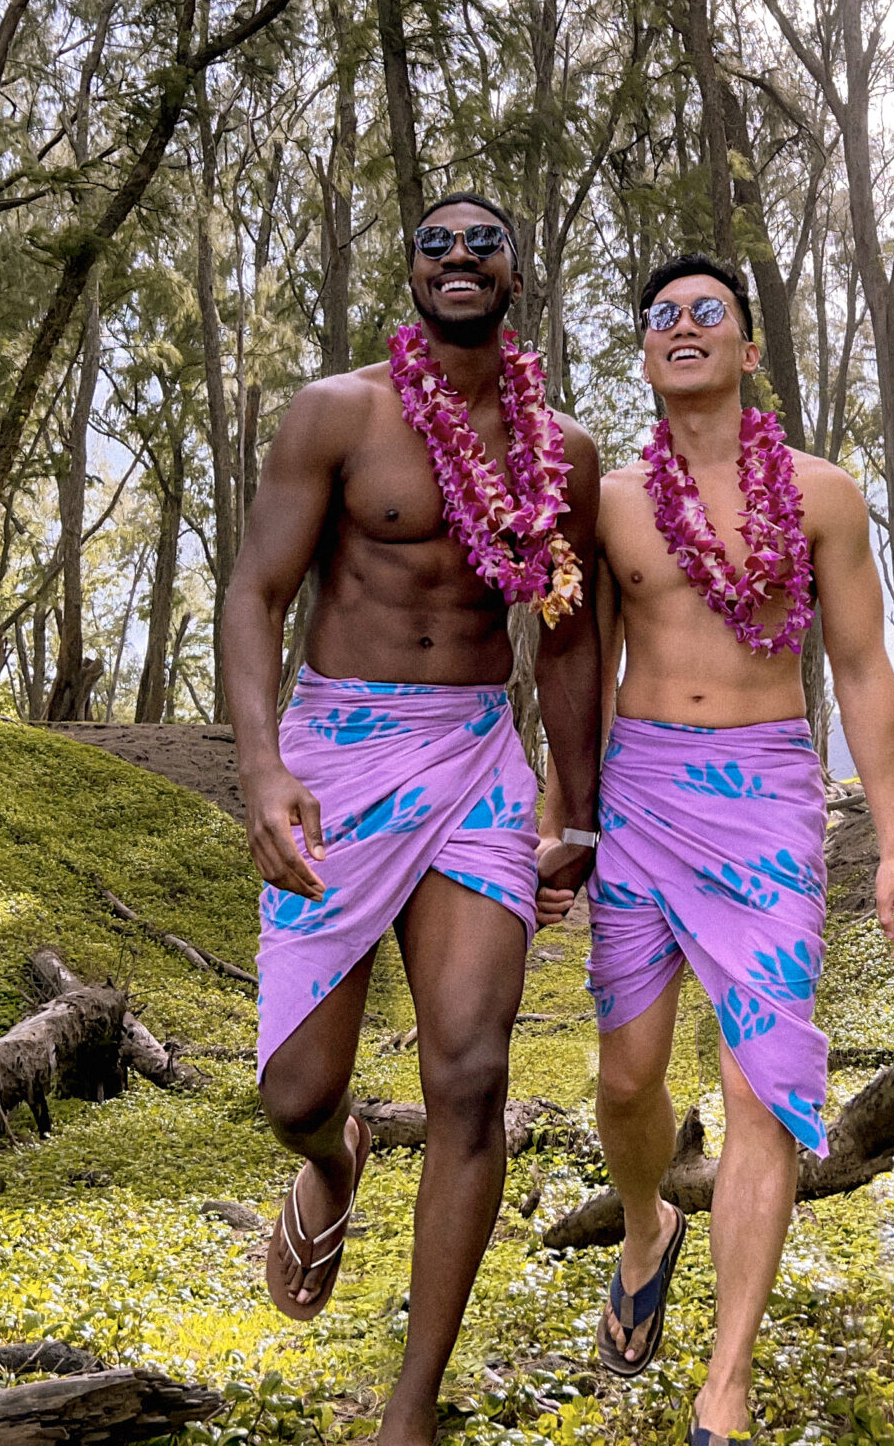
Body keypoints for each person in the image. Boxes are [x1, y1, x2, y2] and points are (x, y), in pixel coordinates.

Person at [220, 193, 603, 1446]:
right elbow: (257, 589)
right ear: (411, 268)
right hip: (335, 756)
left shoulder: (564, 455)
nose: (457, 257)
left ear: (514, 269)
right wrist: (261, 765)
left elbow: (564, 640)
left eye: (482, 240)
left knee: (471, 1076)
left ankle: (410, 1409)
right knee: (293, 1092)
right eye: (435, 241)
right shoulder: (338, 414)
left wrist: (574, 811)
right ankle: (334, 1164)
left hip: (477, 762)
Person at [557, 253, 894, 1446]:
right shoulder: (609, 501)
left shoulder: (824, 493)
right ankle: (644, 1223)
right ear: (646, 351)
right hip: (643, 796)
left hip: (769, 797)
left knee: (759, 1081)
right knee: (626, 1082)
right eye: (659, 317)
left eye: (705, 312)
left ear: (748, 346)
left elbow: (862, 667)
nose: (681, 327)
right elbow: (585, 677)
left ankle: (724, 1385)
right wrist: (575, 821)